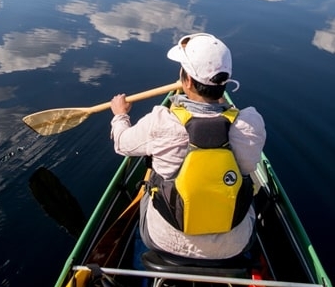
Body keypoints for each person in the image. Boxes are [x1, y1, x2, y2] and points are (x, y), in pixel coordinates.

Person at [110, 33, 266, 260]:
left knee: (147, 186)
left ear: (188, 81)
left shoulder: (161, 121)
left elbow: (121, 144)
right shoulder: (251, 123)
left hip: (165, 241)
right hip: (234, 245)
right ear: (224, 81)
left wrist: (120, 116)